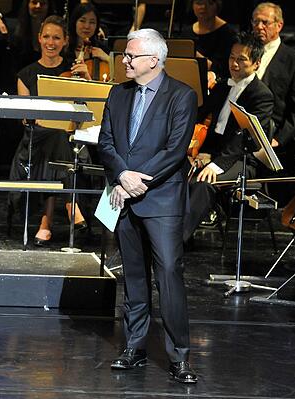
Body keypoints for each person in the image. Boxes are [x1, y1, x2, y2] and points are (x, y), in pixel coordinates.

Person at [97, 28, 198, 383]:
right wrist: (123, 175)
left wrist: (137, 180)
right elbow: (105, 141)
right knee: (135, 278)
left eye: (130, 56)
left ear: (153, 60)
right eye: (125, 55)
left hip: (161, 199)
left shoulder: (181, 96)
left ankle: (179, 356)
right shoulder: (118, 94)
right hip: (124, 196)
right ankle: (135, 347)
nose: (124, 60)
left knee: (168, 274)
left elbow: (175, 149)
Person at [183, 32, 274, 240]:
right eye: (232, 57)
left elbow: (243, 138)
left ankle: (176, 240)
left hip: (241, 159)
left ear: (257, 63)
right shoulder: (223, 86)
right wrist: (197, 150)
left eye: (241, 59)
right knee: (176, 171)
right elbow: (200, 113)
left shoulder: (261, 95)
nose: (234, 64)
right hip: (214, 153)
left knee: (204, 184)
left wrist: (217, 164)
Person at [9, 15, 86, 245]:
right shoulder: (26, 75)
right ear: (39, 39)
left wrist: (87, 77)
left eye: (56, 37)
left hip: (70, 139)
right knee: (55, 136)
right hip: (36, 138)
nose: (50, 42)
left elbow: (90, 107)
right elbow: (25, 118)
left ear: (65, 41)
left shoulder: (73, 69)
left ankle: (46, 222)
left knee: (60, 137)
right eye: (46, 37)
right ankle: (70, 204)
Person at [251, 2, 295, 173]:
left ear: (279, 25)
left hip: (275, 138)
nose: (259, 27)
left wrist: (278, 139)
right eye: (255, 22)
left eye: (265, 22)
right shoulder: (245, 53)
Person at [185, 0, 237, 87]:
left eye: (209, 3)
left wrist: (192, 51)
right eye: (198, 3)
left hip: (217, 85)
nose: (203, 7)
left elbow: (222, 69)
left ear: (217, 5)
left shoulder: (227, 33)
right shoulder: (187, 32)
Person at [10, 0, 57, 76]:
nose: (38, 6)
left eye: (42, 3)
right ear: (27, 4)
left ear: (49, 6)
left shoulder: (56, 32)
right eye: (34, 2)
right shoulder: (16, 30)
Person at [67, 3, 110, 80]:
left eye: (92, 22)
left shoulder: (102, 48)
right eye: (82, 21)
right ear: (74, 22)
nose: (87, 26)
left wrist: (107, 58)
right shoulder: (65, 46)